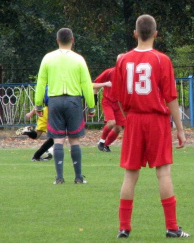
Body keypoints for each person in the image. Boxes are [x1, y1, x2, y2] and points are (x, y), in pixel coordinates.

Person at [112, 14, 189, 239]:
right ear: (156, 34)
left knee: (130, 175)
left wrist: (129, 116)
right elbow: (171, 97)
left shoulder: (123, 60)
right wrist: (180, 129)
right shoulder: (161, 60)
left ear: (135, 33)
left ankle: (124, 227)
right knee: (163, 173)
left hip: (134, 119)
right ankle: (172, 227)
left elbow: (118, 96)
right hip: (156, 121)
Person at [34, 27, 96, 185]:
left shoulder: (48, 58)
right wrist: (91, 106)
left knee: (58, 140)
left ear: (57, 41)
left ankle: (59, 178)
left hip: (54, 102)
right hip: (73, 101)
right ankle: (78, 177)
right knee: (74, 140)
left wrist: (38, 105)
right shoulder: (79, 59)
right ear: (73, 40)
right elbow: (86, 85)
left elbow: (41, 83)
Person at [94, 55, 126, 152]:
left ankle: (106, 145)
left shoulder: (128, 74)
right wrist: (94, 101)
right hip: (108, 102)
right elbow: (94, 84)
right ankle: (101, 142)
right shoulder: (110, 72)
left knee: (118, 128)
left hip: (119, 104)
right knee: (112, 122)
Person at [16, 86, 53, 161]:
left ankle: (28, 131)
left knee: (37, 135)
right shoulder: (57, 87)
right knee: (54, 139)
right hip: (54, 113)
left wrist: (31, 113)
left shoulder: (46, 88)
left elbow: (38, 103)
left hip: (44, 112)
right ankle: (37, 156)